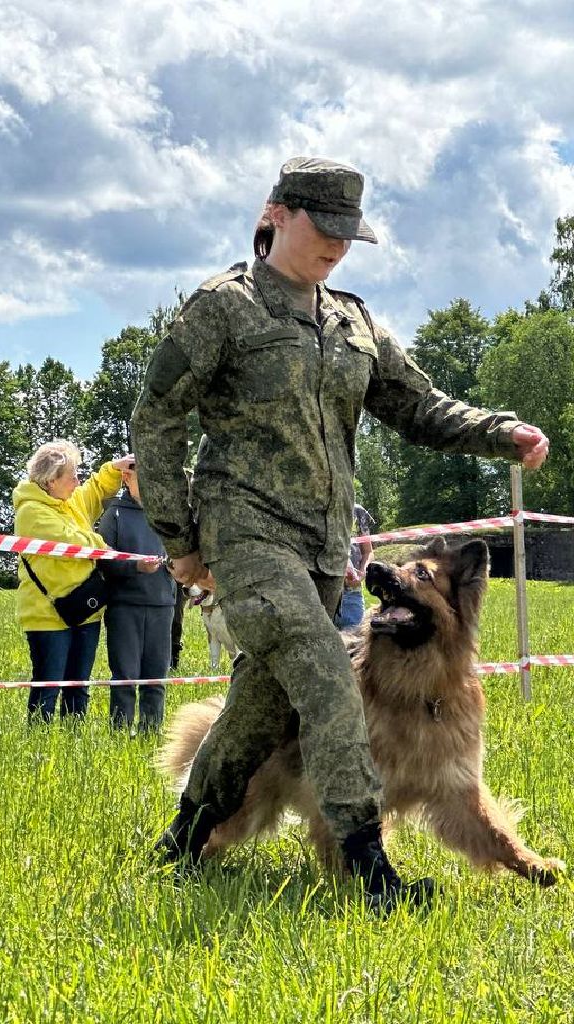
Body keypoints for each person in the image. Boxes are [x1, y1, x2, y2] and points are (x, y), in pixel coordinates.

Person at [132, 156, 550, 909]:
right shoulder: (223, 308)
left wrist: (502, 432)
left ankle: (186, 836)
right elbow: (154, 416)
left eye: (349, 235)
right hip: (246, 537)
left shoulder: (352, 321)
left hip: (326, 551)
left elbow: (420, 405)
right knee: (330, 669)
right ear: (276, 215)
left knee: (260, 709)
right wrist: (180, 536)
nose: (337, 247)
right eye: (324, 229)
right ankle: (368, 868)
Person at [13, 441, 132, 723]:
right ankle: (40, 746)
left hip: (85, 609)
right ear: (51, 481)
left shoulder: (71, 499)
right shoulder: (30, 511)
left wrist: (114, 469)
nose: (77, 481)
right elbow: (70, 542)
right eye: (72, 476)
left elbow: (95, 490)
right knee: (48, 689)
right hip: (47, 616)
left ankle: (72, 743)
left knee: (79, 688)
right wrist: (105, 546)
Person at [96, 462, 178, 732]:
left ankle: (150, 732)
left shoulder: (167, 513)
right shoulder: (114, 513)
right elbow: (102, 561)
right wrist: (135, 567)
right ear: (127, 477)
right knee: (125, 678)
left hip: (163, 605)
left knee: (156, 678)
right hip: (125, 607)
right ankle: (119, 733)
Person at [334, 502, 376, 631]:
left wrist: (362, 573)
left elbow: (368, 552)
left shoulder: (357, 511)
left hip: (352, 595)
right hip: (321, 593)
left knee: (355, 644)